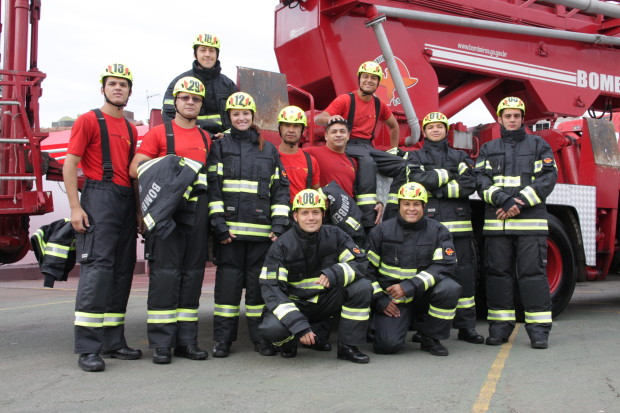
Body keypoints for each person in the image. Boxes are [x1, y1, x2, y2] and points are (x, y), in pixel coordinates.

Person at [63, 63, 141, 372]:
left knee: (122, 272)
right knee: (97, 271)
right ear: (103, 88)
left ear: (130, 91)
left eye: (123, 84)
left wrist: (138, 211)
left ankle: (113, 341)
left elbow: (133, 176)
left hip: (125, 202)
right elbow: (70, 165)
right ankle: (88, 348)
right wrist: (75, 207)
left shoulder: (131, 129)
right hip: (98, 198)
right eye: (113, 83)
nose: (118, 88)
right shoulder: (88, 120)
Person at [129, 76, 211, 364]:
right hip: (167, 212)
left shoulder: (206, 138)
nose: (190, 102)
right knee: (165, 276)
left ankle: (187, 342)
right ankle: (162, 344)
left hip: (197, 213)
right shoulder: (158, 134)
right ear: (175, 102)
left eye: (196, 99)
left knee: (192, 276)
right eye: (185, 97)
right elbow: (135, 169)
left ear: (201, 104)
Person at [207, 92, 290, 358]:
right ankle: (223, 341)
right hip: (230, 237)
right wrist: (219, 225)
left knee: (257, 294)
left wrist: (279, 225)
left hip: (261, 237)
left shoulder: (268, 149)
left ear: (253, 116)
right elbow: (214, 189)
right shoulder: (220, 146)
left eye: (245, 114)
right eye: (236, 114)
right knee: (227, 293)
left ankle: (261, 339)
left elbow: (280, 190)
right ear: (229, 117)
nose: (241, 118)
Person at [475, 97, 557, 349]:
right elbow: (481, 181)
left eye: (516, 116)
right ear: (499, 119)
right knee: (498, 276)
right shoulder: (488, 148)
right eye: (508, 116)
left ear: (522, 119)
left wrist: (518, 203)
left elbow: (547, 178)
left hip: (529, 225)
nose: (512, 120)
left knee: (532, 276)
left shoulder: (539, 145)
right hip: (498, 226)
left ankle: (539, 331)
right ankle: (499, 328)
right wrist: (504, 200)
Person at [258, 189, 372, 363]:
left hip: (324, 302)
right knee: (272, 328)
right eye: (305, 213)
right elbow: (272, 290)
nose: (311, 218)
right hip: (295, 305)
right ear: (295, 216)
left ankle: (348, 347)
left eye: (315, 212)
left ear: (323, 214)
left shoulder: (335, 235)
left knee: (362, 287)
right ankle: (289, 343)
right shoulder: (281, 246)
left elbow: (361, 262)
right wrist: (298, 325)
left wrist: (336, 273)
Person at [404, 112, 483, 344]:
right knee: (427, 278)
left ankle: (467, 327)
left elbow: (470, 183)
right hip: (428, 231)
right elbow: (415, 181)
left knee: (464, 278)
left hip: (459, 231)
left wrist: (438, 190)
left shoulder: (460, 155)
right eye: (431, 127)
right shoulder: (415, 156)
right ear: (424, 132)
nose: (436, 130)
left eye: (440, 126)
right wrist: (449, 175)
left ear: (446, 130)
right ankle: (425, 328)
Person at [365, 182, 462, 356]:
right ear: (399, 205)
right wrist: (380, 300)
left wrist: (408, 286)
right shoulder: (381, 231)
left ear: (424, 206)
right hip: (393, 299)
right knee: (387, 346)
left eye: (416, 204)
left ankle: (431, 337)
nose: (411, 209)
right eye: (406, 204)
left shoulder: (439, 231)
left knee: (449, 288)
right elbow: (367, 269)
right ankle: (391, 327)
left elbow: (445, 265)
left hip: (424, 295)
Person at [304, 119, 382, 231]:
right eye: (334, 132)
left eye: (342, 131)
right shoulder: (312, 152)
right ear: (326, 136)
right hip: (326, 214)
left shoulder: (353, 162)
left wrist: (377, 202)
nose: (338, 135)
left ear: (348, 136)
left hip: (347, 214)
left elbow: (359, 189)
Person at [162, 32, 237, 137]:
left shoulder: (228, 85)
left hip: (223, 142)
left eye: (212, 50)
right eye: (203, 50)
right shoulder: (179, 83)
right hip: (190, 139)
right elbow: (168, 116)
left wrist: (225, 137)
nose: (207, 54)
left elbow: (239, 118)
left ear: (217, 55)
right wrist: (205, 136)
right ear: (195, 54)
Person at [276, 105, 321, 204]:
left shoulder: (311, 161)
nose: (291, 130)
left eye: (296, 126)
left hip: (300, 212)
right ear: (279, 128)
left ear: (303, 130)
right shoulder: (269, 156)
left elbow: (316, 194)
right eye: (287, 125)